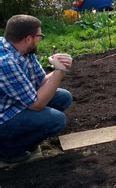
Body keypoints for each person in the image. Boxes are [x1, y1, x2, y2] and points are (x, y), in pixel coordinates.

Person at [0, 15, 73, 164]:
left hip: (13, 103)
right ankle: (8, 149)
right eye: (40, 36)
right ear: (28, 38)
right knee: (57, 120)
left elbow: (40, 81)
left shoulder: (23, 49)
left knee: (64, 97)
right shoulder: (5, 62)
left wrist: (60, 68)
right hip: (3, 116)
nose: (41, 39)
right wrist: (58, 73)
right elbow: (36, 104)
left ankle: (25, 139)